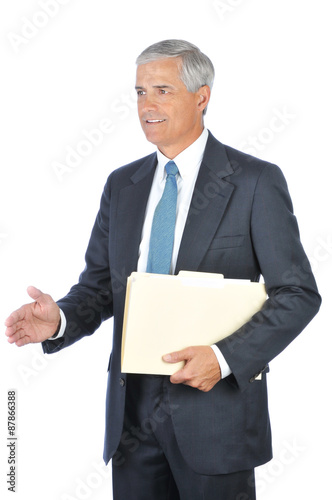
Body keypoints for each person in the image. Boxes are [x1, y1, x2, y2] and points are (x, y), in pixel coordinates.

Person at [5, 39, 321, 499]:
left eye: (161, 90)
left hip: (217, 418)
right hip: (132, 419)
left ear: (202, 97)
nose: (146, 106)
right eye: (138, 92)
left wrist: (223, 358)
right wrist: (62, 319)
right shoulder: (123, 185)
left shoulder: (254, 181)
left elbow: (297, 293)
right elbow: (100, 286)